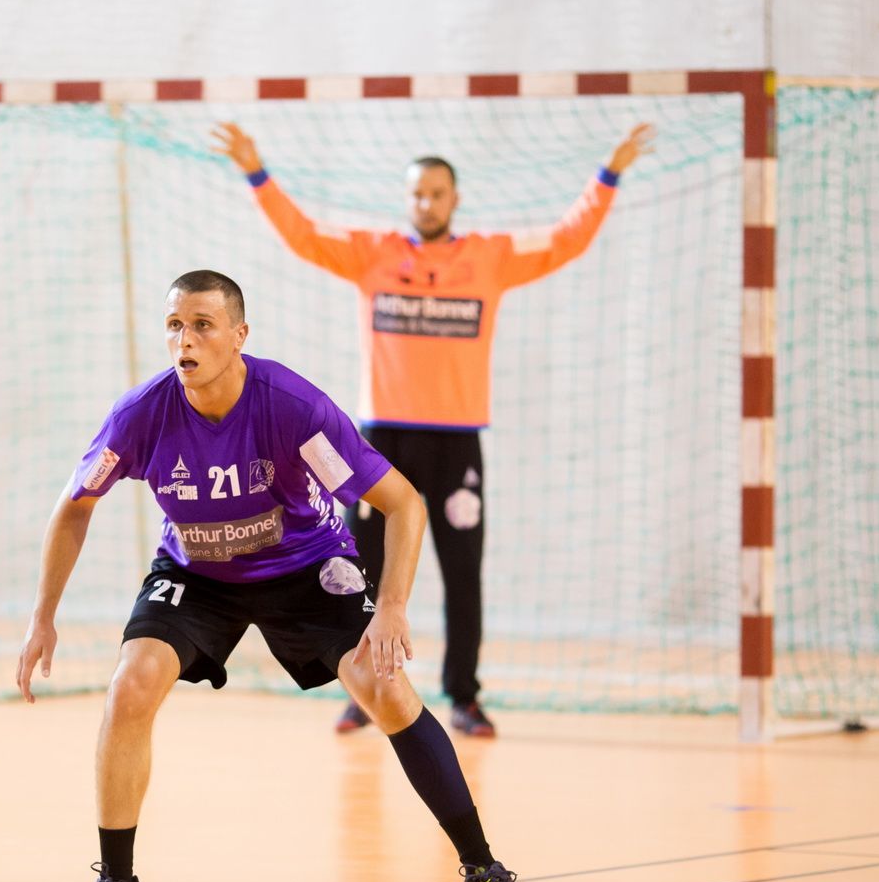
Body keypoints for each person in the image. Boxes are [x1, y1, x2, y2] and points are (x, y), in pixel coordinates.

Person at [16, 269, 548, 882]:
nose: (185, 340)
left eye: (203, 325)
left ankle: (486, 873)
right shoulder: (142, 414)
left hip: (305, 566)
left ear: (239, 335)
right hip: (197, 571)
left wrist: (391, 606)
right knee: (131, 685)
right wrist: (43, 615)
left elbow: (403, 503)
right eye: (175, 325)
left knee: (385, 689)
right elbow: (74, 507)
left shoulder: (292, 408)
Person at [213, 120, 653, 737]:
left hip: (455, 441)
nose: (426, 203)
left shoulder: (488, 259)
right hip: (380, 441)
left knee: (461, 572)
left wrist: (608, 177)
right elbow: (304, 236)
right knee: (356, 573)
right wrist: (256, 172)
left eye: (437, 194)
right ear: (408, 199)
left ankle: (464, 697)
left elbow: (564, 241)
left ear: (454, 199)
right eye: (417, 194)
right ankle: (363, 688)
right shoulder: (374, 253)